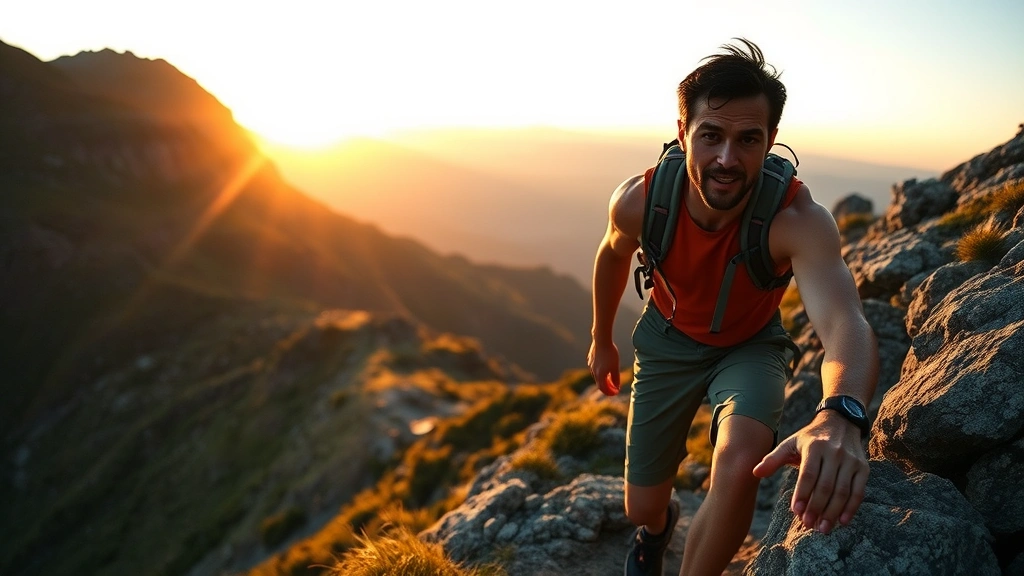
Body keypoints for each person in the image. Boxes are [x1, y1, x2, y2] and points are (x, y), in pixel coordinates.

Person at [588, 39, 880, 576]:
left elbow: (845, 322)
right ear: (683, 134)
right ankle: (656, 530)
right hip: (666, 340)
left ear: (769, 141)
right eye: (711, 136)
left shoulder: (797, 220)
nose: (727, 158)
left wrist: (841, 413)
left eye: (748, 140)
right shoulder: (639, 200)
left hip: (749, 345)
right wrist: (602, 338)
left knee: (742, 459)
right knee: (641, 506)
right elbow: (612, 255)